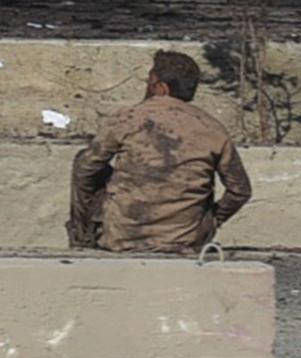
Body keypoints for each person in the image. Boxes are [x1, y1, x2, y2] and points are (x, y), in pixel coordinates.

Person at [67, 49, 254, 254]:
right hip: (186, 241)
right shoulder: (213, 129)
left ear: (160, 86)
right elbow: (240, 191)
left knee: (85, 164)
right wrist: (209, 221)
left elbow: (86, 168)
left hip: (122, 238)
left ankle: (82, 240)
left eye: (149, 82)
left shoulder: (128, 119)